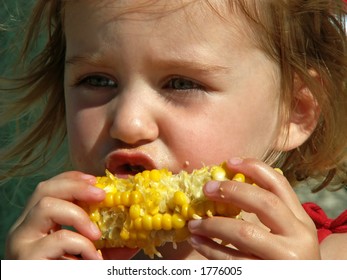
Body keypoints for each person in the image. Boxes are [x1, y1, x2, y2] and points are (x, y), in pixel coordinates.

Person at [0, 0, 346, 260]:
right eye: (98, 80)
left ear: (294, 112)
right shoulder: (56, 260)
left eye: (180, 83)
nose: (128, 123)